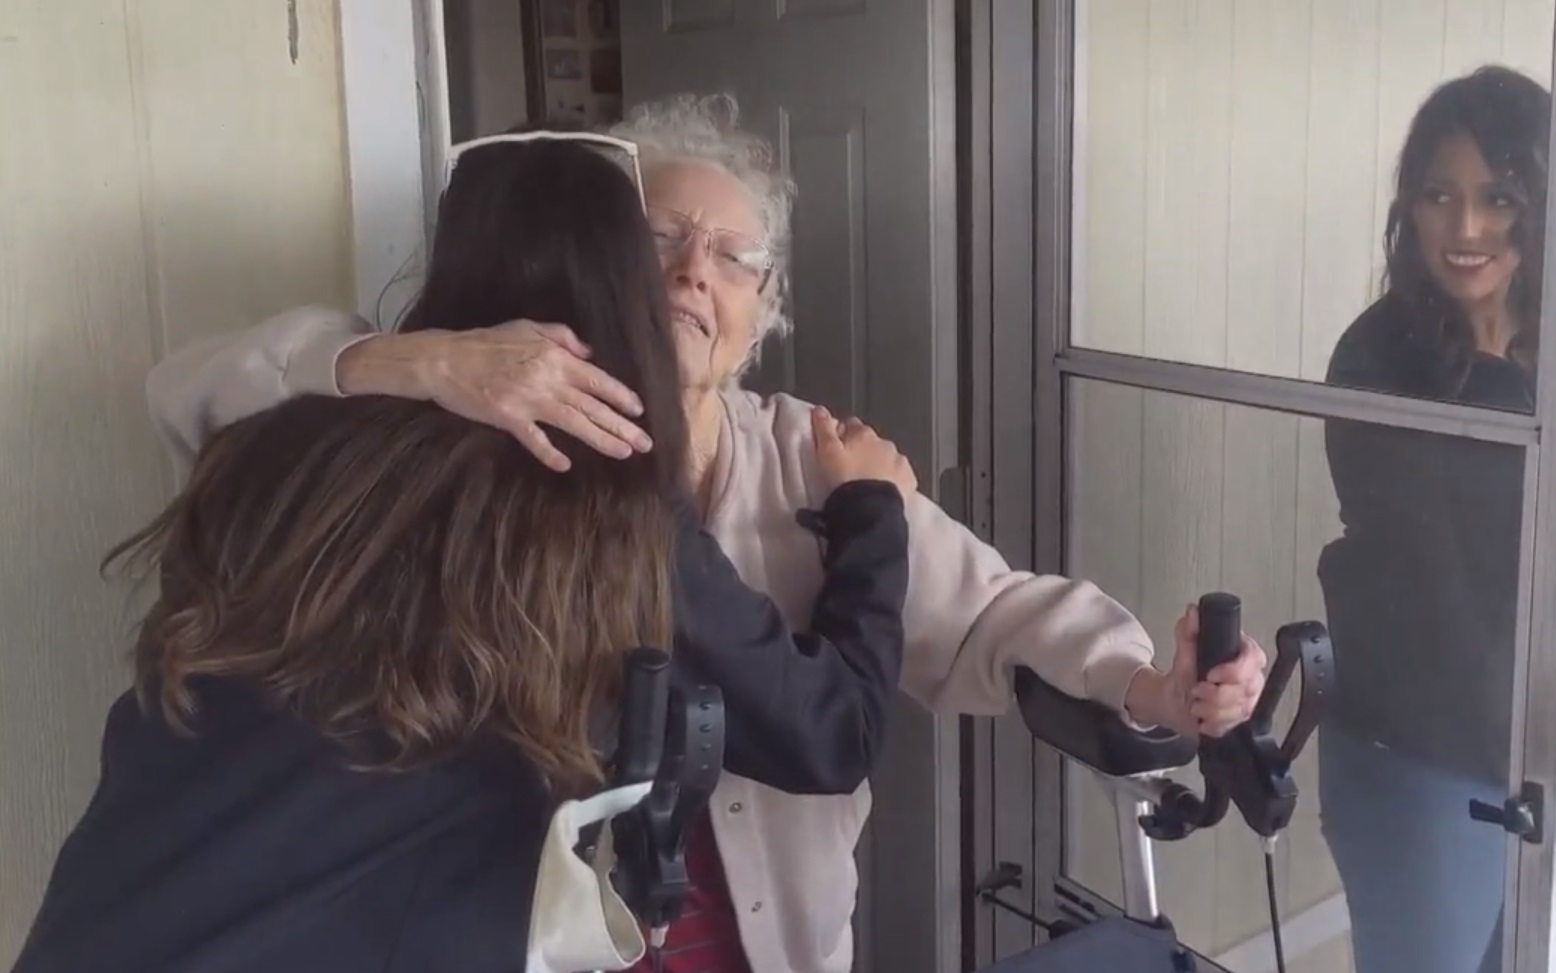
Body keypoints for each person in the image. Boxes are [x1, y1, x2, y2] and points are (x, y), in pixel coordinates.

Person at [136, 94, 1271, 973]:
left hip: (760, 941)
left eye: (734, 257)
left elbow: (994, 609)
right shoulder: (465, 421)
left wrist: (1148, 685)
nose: (694, 271)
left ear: (761, 312)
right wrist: (413, 360)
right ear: (598, 262)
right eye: (665, 236)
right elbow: (190, 395)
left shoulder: (812, 456)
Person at [1314, 66, 1556, 973]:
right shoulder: (1376, 358)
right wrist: (1540, 802)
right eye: (1439, 195)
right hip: (1425, 765)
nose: (1465, 228)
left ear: (1543, 204)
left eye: (1498, 197)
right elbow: (1435, 592)